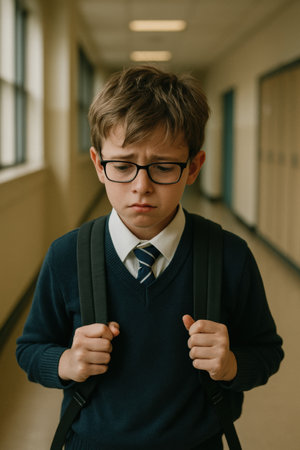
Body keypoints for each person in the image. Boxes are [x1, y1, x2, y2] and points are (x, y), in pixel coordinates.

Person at [16, 65, 284, 450]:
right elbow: (29, 349)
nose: (141, 187)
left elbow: (267, 352)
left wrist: (231, 365)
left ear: (192, 168)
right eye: (122, 166)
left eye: (162, 167)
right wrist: (66, 363)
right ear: (98, 164)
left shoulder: (230, 255)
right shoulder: (66, 255)